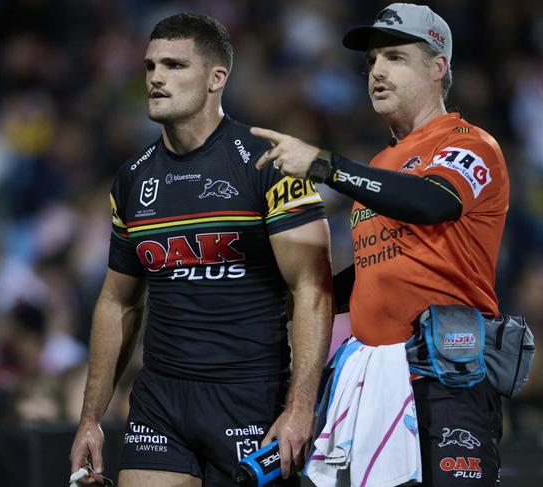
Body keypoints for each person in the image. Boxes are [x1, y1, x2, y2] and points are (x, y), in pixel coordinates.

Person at [69, 13, 333, 487]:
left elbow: (312, 289)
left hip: (250, 396)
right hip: (161, 402)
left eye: (174, 65)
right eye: (150, 67)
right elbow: (118, 300)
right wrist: (91, 417)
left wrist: (300, 408)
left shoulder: (270, 164)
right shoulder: (132, 180)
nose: (156, 78)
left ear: (217, 78)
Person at [251, 3, 508, 486]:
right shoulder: (381, 164)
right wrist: (285, 298)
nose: (376, 72)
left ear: (438, 67)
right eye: (371, 61)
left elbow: (433, 203)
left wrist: (326, 165)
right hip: (375, 376)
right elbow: (377, 270)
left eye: (394, 57)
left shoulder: (470, 144)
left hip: (446, 379)